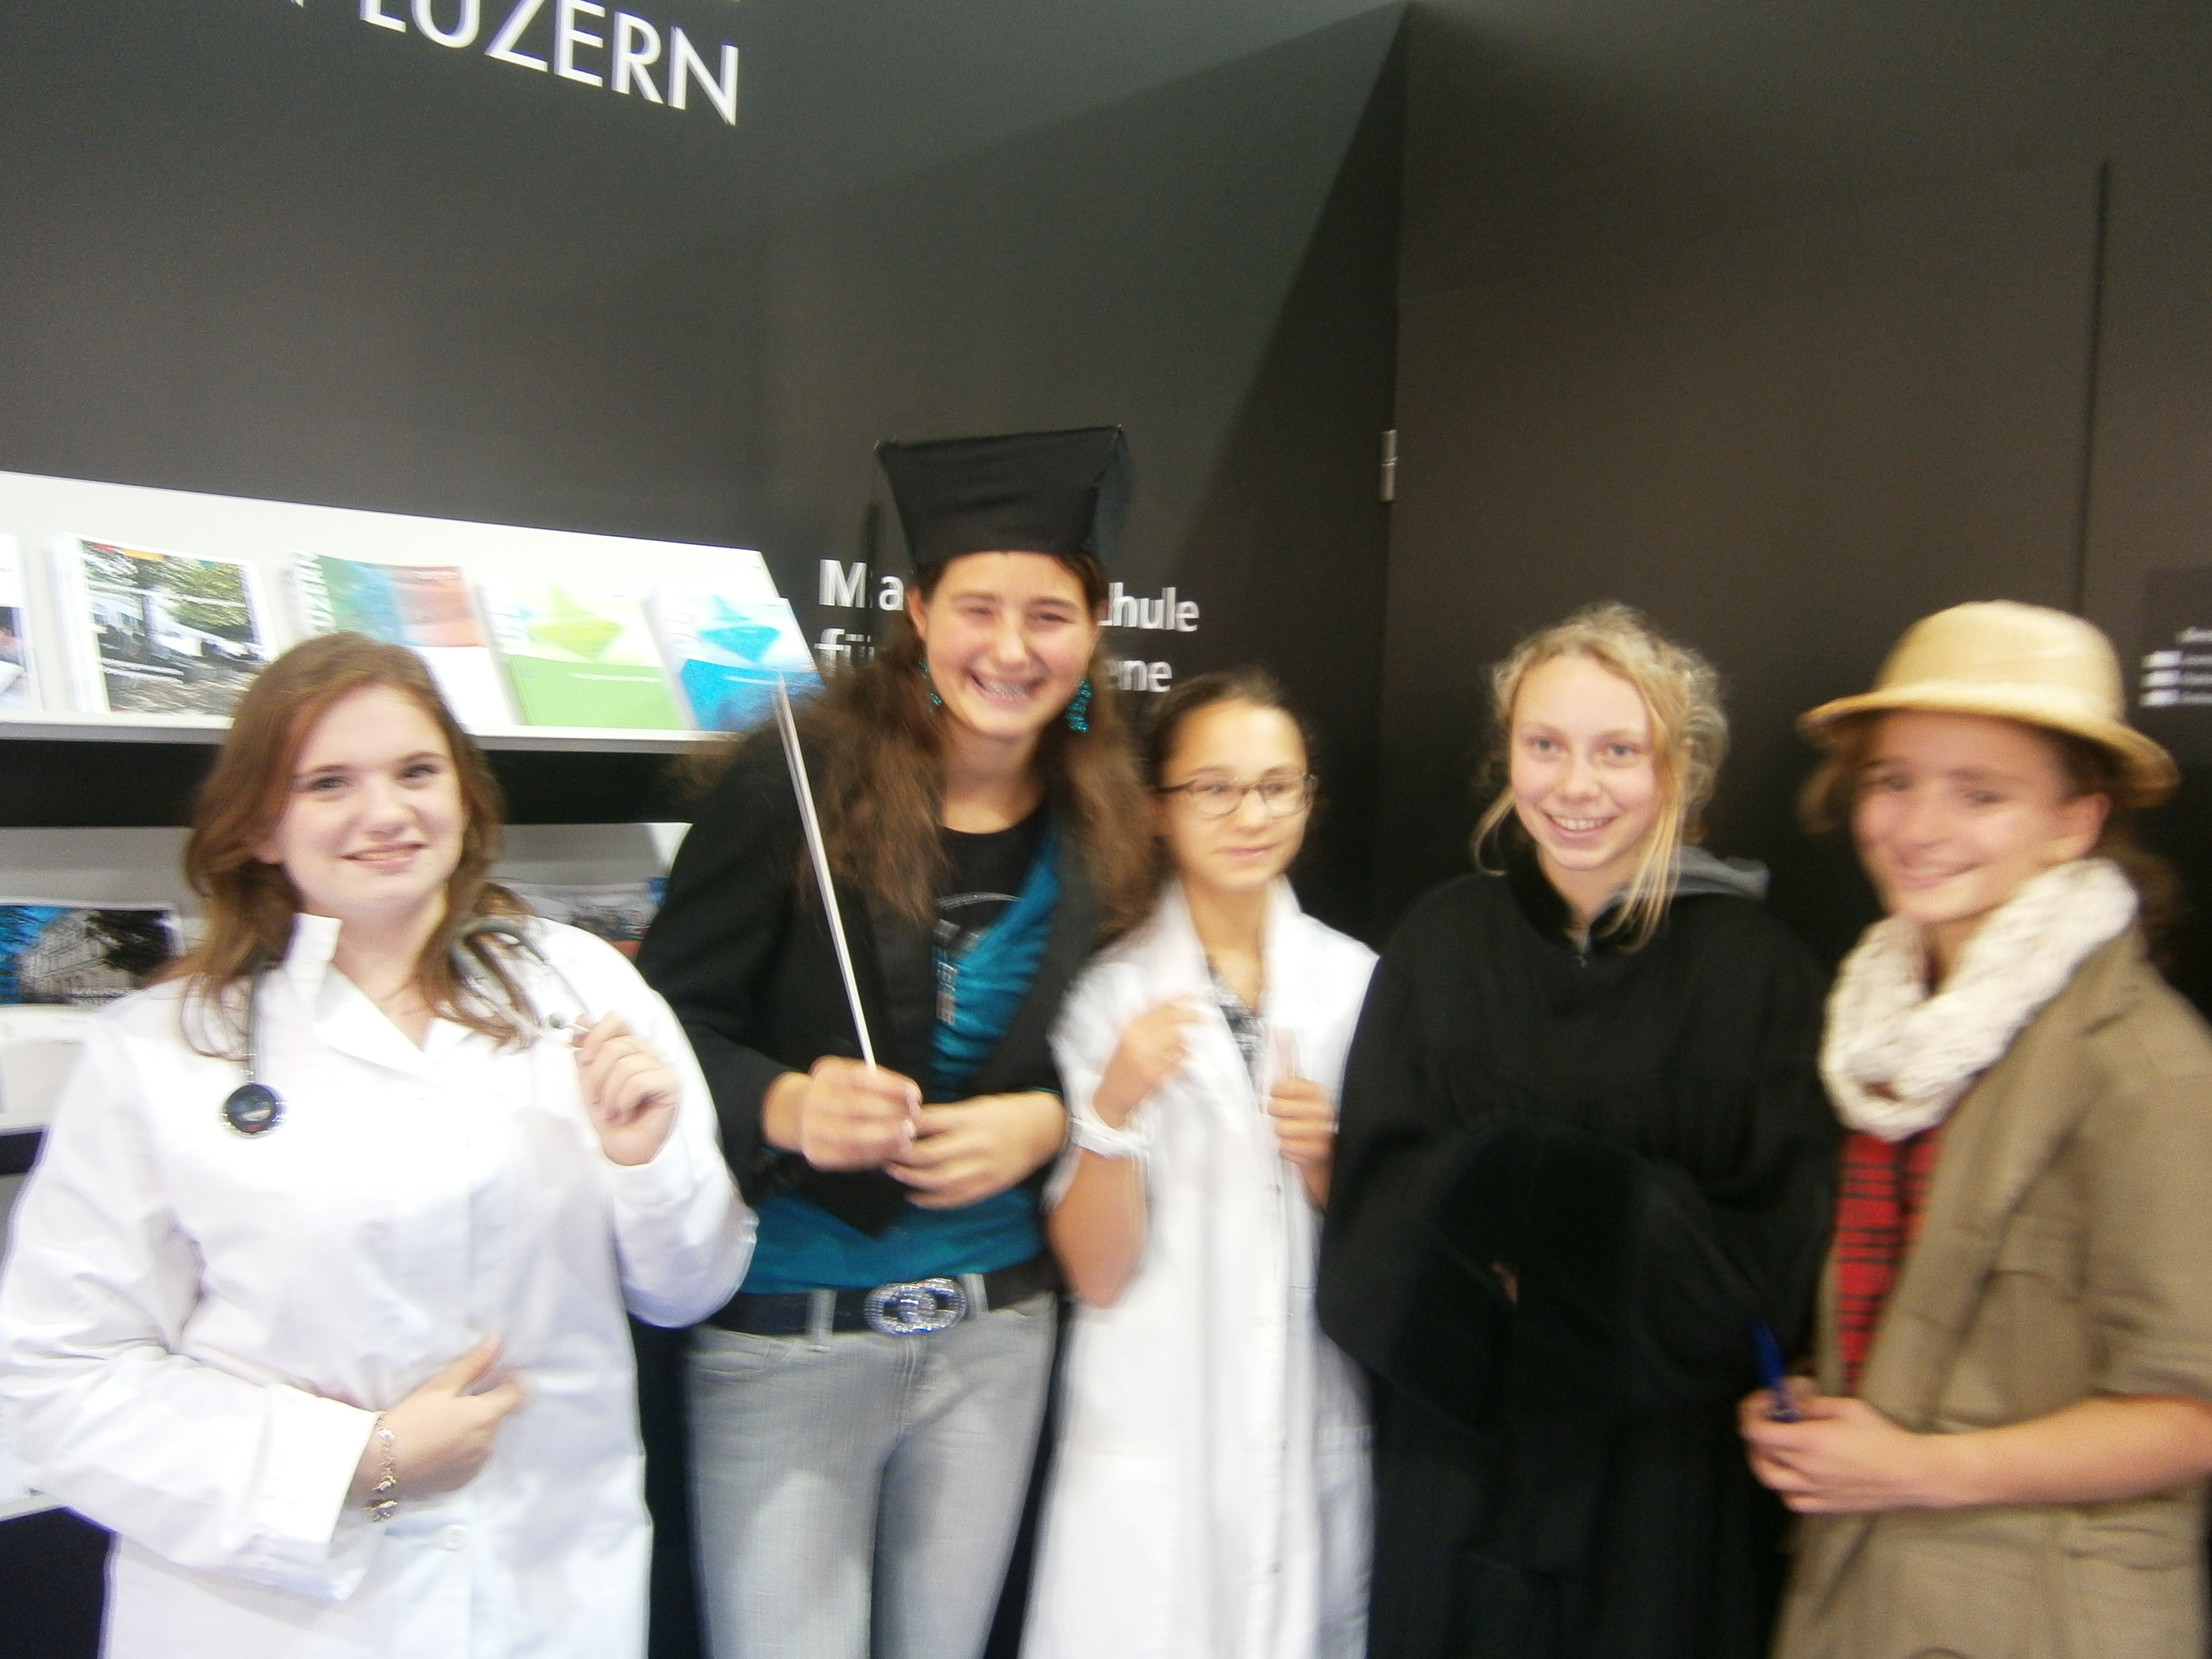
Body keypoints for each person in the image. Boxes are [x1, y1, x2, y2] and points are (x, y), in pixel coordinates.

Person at [0, 632, 752, 1658]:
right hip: (280, 1618)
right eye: (329, 783)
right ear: (259, 824)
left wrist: (646, 1162)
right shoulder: (158, 1050)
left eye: (416, 772)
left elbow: (687, 1289)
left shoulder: (582, 986)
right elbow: (61, 1379)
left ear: (464, 794)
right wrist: (357, 1463)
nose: (386, 813)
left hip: (548, 1585)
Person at [636, 427, 1157, 1659]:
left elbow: (1118, 1053)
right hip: (788, 1338)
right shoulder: (794, 783)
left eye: (1049, 616)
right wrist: (782, 1104)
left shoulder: (1106, 816)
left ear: (1092, 631)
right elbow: (662, 1030)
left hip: (999, 1331)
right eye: (977, 609)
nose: (1011, 650)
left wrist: (1045, 1122)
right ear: (919, 613)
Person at [1318, 601, 1839, 1659]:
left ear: (1676, 767)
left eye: (1617, 751)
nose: (1575, 785)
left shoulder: (1755, 972)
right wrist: (1602, 1223)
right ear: (1506, 755)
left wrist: (1535, 1233)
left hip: (1659, 1488)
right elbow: (1372, 1219)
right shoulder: (1438, 946)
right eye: (1544, 745)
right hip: (1456, 1473)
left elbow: (1777, 1262)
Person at [1741, 600, 2212, 1659]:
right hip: (1859, 1597)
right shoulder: (1886, 1033)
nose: (1916, 828)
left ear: (2074, 822)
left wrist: (1913, 1468)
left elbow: (2193, 1417)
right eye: (1892, 781)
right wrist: (1822, 1410)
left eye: (1980, 794)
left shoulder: (2144, 1066)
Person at [1026, 669, 1375, 1659]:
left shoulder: (1359, 987)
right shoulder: (1110, 994)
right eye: (1214, 788)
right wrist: (1113, 1110)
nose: (1249, 815)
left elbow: (1398, 1249)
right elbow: (1096, 1274)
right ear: (1158, 808)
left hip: (1303, 1418)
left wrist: (1330, 1168)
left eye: (1276, 786)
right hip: (1156, 1430)